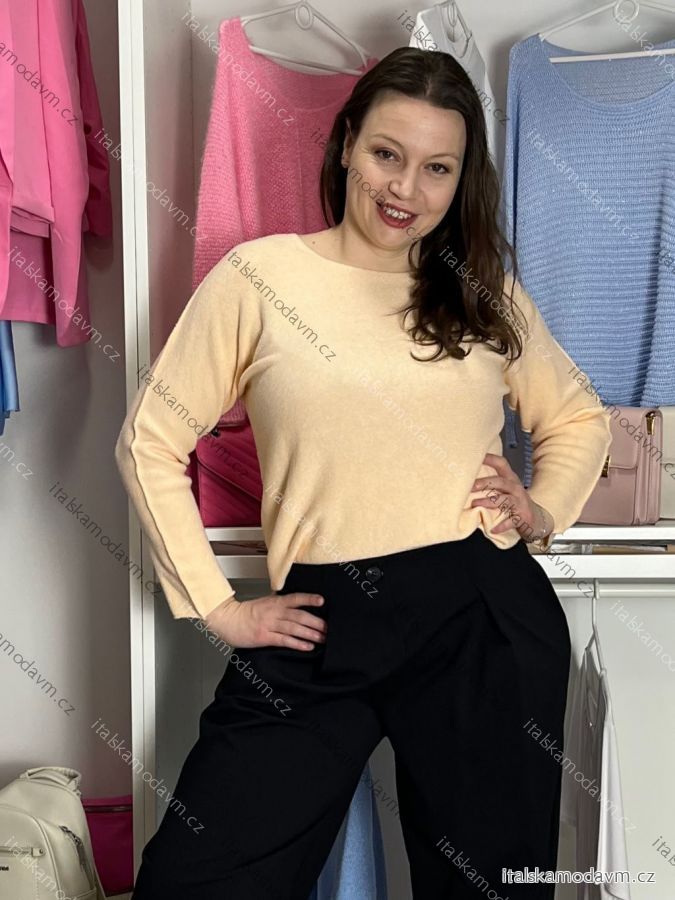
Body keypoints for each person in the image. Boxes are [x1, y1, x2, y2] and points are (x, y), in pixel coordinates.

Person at [116, 46, 612, 900]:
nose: (405, 188)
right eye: (387, 153)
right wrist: (217, 607)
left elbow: (577, 416)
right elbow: (148, 440)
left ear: (460, 180)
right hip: (318, 620)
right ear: (347, 143)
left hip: (477, 613)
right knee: (197, 880)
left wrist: (541, 509)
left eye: (436, 168)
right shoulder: (259, 278)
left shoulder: (481, 290)